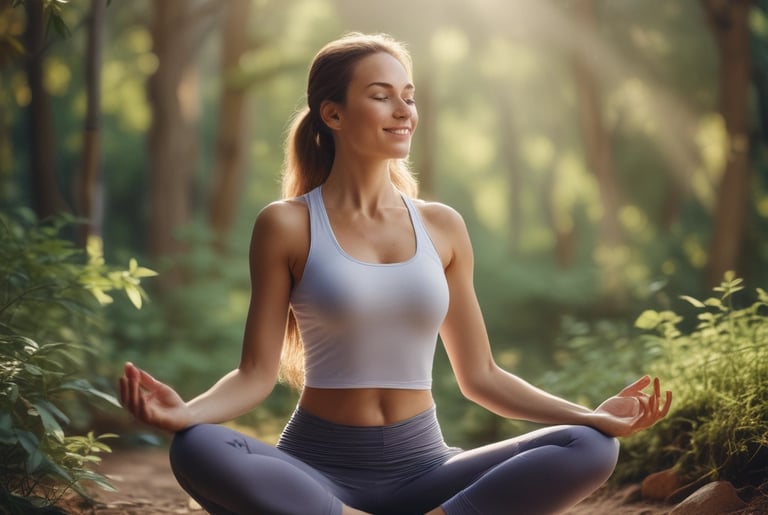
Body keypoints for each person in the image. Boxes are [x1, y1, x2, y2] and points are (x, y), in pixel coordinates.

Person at [119, 32, 672, 515]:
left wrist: (591, 416)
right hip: (316, 470)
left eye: (408, 97)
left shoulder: (442, 226)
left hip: (426, 469)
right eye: (381, 96)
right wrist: (185, 413)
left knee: (591, 447)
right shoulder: (286, 225)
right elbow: (256, 374)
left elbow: (481, 376)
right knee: (195, 448)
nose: (404, 110)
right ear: (332, 114)